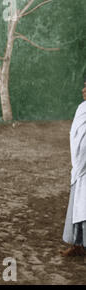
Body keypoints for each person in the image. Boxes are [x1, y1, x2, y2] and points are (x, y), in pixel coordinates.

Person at [60, 86, 86, 257]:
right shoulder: (81, 108)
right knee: (77, 199)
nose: (83, 90)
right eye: (84, 86)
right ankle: (77, 244)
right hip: (79, 162)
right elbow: (75, 135)